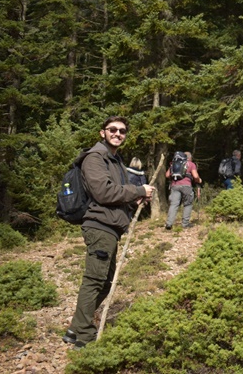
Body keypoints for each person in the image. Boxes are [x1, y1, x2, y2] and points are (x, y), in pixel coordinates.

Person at [63, 116, 154, 349]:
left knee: (104, 281)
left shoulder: (115, 160)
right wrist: (137, 189)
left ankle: (75, 328)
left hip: (111, 227)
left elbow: (115, 196)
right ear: (102, 132)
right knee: (94, 281)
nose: (118, 134)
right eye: (112, 130)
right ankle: (84, 338)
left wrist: (135, 199)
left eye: (122, 131)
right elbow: (103, 193)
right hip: (99, 227)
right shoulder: (95, 158)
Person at [165, 151, 201, 230]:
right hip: (186, 186)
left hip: (174, 185)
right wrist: (199, 180)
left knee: (174, 204)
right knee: (188, 204)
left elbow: (167, 175)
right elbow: (195, 176)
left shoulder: (174, 163)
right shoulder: (191, 164)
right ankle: (185, 224)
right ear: (190, 158)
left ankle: (169, 224)